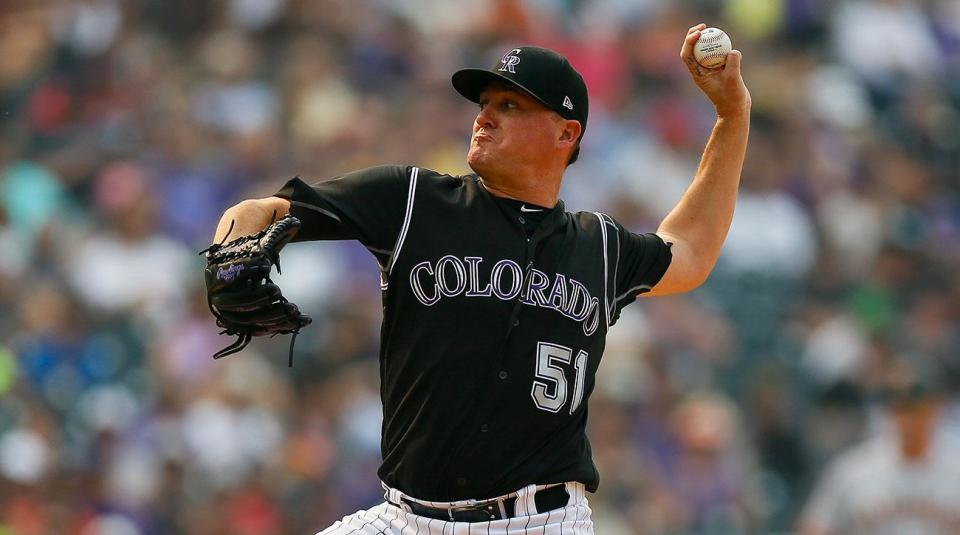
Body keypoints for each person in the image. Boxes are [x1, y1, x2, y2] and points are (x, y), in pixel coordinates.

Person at [210, 23, 750, 534]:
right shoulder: (414, 202)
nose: (484, 117)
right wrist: (230, 257)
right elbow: (261, 210)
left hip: (538, 521)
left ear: (567, 133)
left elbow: (691, 252)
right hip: (405, 518)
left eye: (510, 106)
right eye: (485, 104)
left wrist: (732, 116)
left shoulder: (599, 247)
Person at [798, 356, 960, 535]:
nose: (903, 407)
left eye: (914, 395)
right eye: (894, 397)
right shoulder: (854, 469)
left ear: (936, 402)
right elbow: (815, 526)